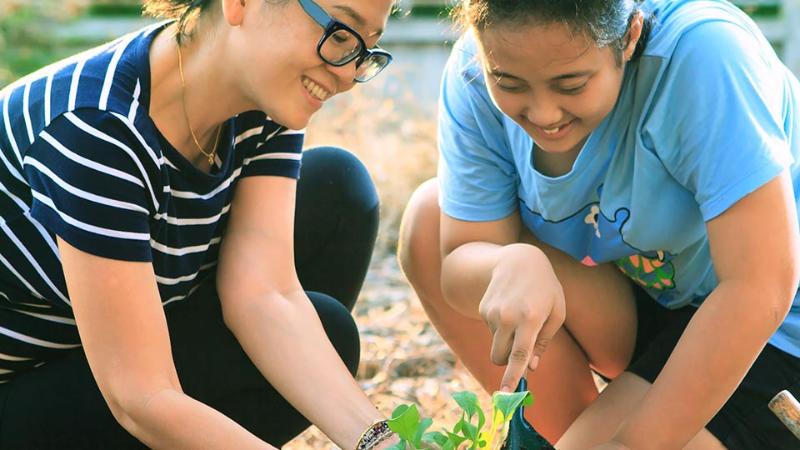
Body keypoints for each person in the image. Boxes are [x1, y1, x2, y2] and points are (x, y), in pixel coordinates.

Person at [399, 0, 800, 449]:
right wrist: (507, 262)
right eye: (509, 82)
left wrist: (633, 444)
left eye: (570, 84)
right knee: (429, 217)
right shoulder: (475, 71)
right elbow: (457, 256)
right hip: (650, 301)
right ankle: (572, 434)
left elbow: (759, 286)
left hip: (772, 327)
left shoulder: (705, 54)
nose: (544, 113)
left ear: (628, 37)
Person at [0, 0, 401, 448]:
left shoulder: (266, 96)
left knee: (335, 196)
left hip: (122, 356)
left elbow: (264, 296)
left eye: (367, 50)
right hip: (23, 393)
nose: (348, 75)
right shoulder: (97, 127)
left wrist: (381, 441)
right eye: (342, 34)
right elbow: (142, 395)